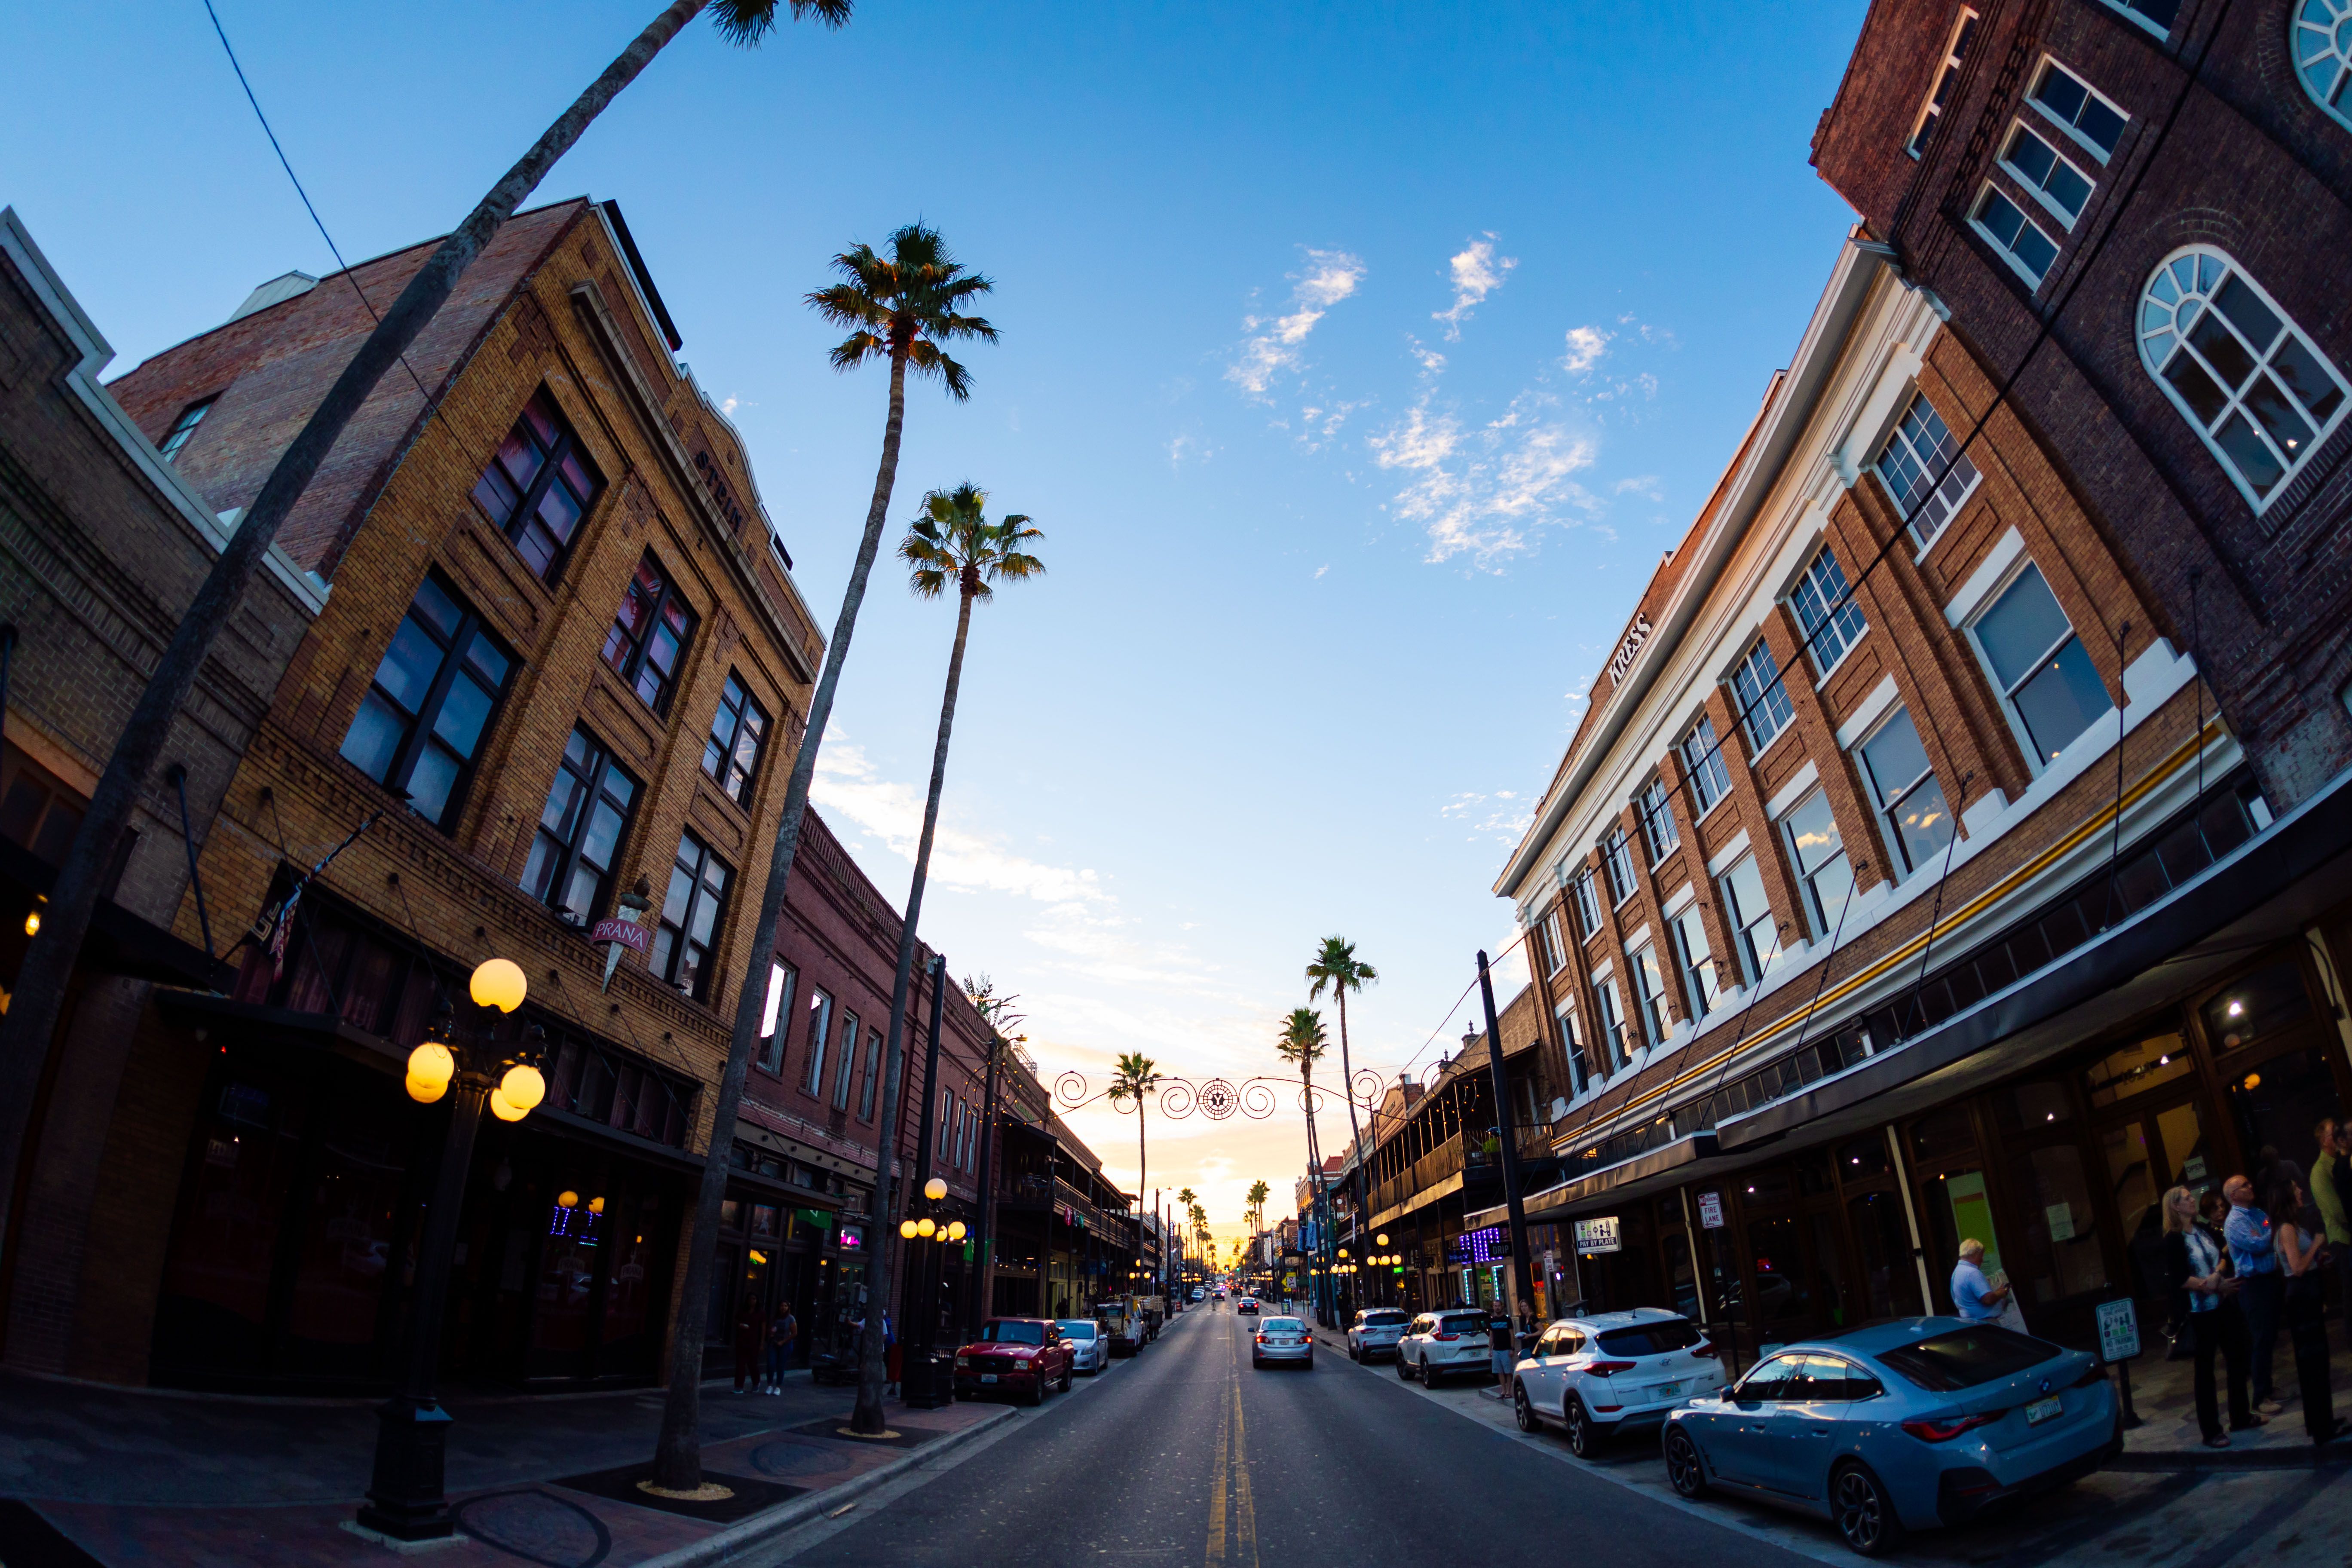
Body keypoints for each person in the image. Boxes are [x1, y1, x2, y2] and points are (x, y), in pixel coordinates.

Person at [2163, 1184, 2257, 1447]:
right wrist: (2211, 1285)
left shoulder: (2203, 1229)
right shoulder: (2173, 1238)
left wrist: (2219, 1274)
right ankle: (2211, 1430)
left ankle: (2240, 1416)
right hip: (2200, 1310)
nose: (2192, 1200)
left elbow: (2223, 1256)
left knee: (2237, 1357)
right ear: (2175, 1207)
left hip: (2223, 1304)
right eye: (2186, 1198)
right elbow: (2180, 1279)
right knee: (2205, 1370)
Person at [2268, 1167, 2348, 1446]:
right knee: (2313, 1362)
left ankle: (2322, 1421)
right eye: (2296, 1189)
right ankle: (2322, 1428)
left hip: (2306, 1295)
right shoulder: (2288, 1229)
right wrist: (2315, 1245)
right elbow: (2297, 1267)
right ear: (2287, 1196)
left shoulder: (2294, 1225)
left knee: (2316, 1361)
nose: (2301, 1192)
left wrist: (2318, 1257)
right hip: (2301, 1298)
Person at [2224, 1173, 2284, 1413]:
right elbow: (2258, 1244)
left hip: (2269, 1280)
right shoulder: (2235, 1221)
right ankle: (2260, 1398)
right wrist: (2269, 1234)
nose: (2250, 1187)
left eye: (2249, 1183)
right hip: (2253, 1285)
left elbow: (2269, 1229)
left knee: (2270, 1337)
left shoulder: (2257, 1213)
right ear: (2233, 1196)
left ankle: (2268, 1388)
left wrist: (2267, 1232)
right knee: (2261, 1338)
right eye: (2244, 1186)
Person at [2318, 1120, 2352, 1353]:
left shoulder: (2339, 1164)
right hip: (2343, 1238)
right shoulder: (2324, 1170)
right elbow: (2339, 1210)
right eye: (2331, 1134)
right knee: (2350, 1293)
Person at [1951, 1240, 2010, 1324]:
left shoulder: (1957, 1272)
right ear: (1975, 1254)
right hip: (1985, 1322)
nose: (1982, 1260)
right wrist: (2001, 1293)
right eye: (1981, 1256)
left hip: (1970, 1322)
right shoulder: (1972, 1273)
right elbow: (1988, 1299)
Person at [732, 1295, 768, 1396]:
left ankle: (756, 1383)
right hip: (742, 1340)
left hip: (754, 1341)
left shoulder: (761, 1313)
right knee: (740, 1364)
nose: (752, 1301)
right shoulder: (743, 1311)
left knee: (752, 1364)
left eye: (754, 1299)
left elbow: (763, 1328)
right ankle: (739, 1386)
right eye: (750, 1299)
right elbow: (735, 1321)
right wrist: (740, 1325)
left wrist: (762, 1343)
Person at [766, 1304, 799, 1395]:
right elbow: (769, 1329)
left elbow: (795, 1333)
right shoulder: (775, 1318)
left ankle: (778, 1387)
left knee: (781, 1366)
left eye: (785, 1306)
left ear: (788, 1308)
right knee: (771, 1364)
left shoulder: (791, 1318)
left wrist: (784, 1341)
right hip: (774, 1343)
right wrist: (771, 1332)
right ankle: (769, 1385)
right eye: (781, 1306)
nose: (783, 1308)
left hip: (785, 1345)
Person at [1489, 1305, 1515, 1397]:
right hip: (1496, 1350)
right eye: (1495, 1306)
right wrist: (1490, 1350)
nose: (1497, 1308)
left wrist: (1512, 1348)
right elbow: (1491, 1336)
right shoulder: (1492, 1321)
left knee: (1508, 1372)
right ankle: (1503, 1391)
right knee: (1499, 1372)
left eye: (1499, 1306)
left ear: (1502, 1307)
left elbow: (1512, 1334)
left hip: (1506, 1349)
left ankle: (1509, 1391)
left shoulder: (1507, 1320)